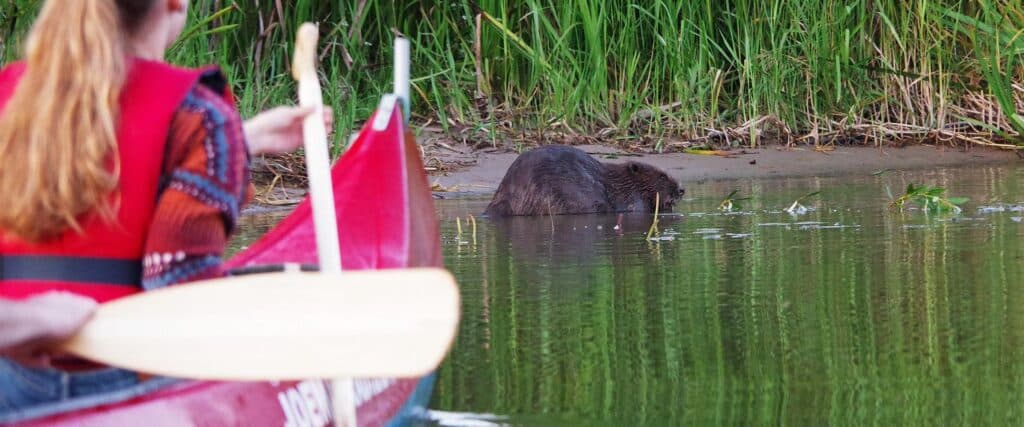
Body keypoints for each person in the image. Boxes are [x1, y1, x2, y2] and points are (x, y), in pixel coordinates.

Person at [0, 0, 331, 420]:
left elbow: (93, 162)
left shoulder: (8, 91)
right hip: (130, 380)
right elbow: (177, 296)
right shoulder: (201, 116)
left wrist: (238, 142)